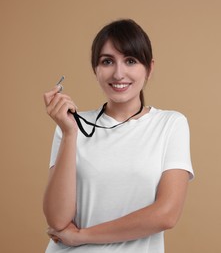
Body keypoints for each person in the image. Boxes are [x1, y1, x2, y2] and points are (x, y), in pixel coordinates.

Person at [43, 19, 194, 253]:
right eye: (107, 61)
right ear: (96, 69)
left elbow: (166, 214)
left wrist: (82, 236)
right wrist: (70, 133)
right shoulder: (70, 125)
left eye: (130, 61)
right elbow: (57, 221)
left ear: (149, 68)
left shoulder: (170, 124)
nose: (118, 73)